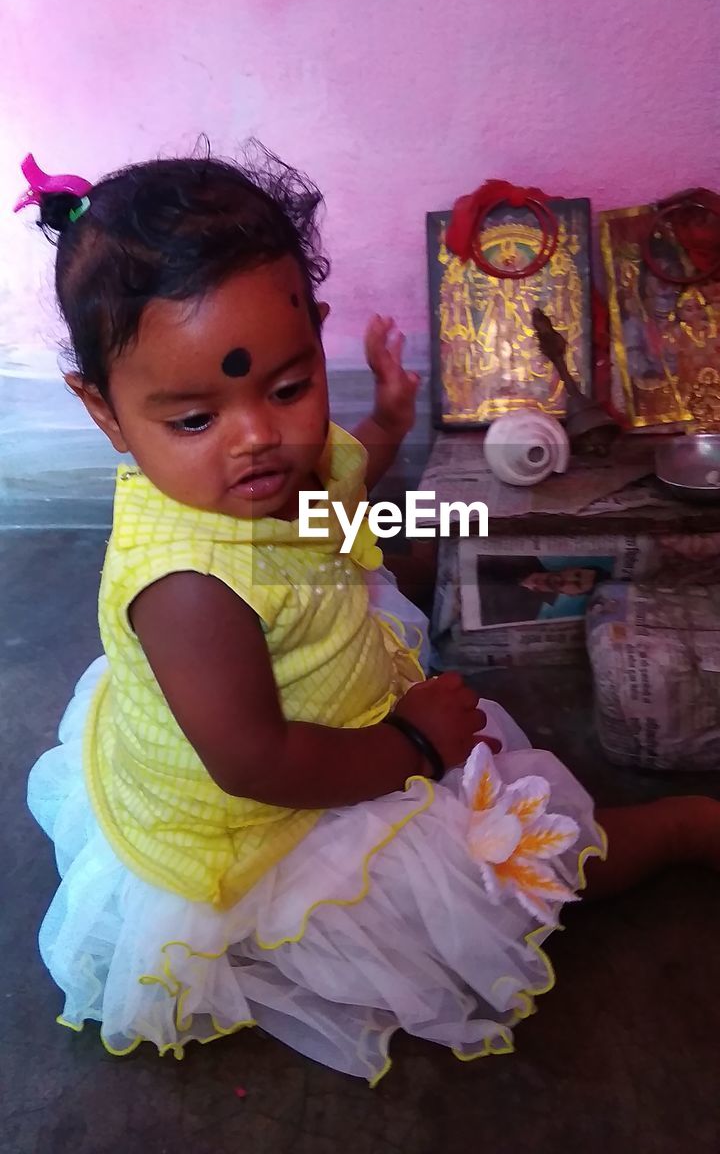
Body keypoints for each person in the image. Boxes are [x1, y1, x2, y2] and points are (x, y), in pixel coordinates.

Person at [20, 147, 720, 1083]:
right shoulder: (187, 588)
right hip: (272, 812)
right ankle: (669, 833)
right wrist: (414, 745)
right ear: (103, 412)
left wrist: (388, 422)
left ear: (315, 335)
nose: (259, 437)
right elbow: (260, 762)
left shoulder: (262, 474)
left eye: (288, 385)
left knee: (406, 547)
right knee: (503, 863)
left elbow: (328, 510)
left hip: (320, 687)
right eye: (194, 418)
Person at [477, 557, 612, 627]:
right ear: (571, 568)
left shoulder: (526, 614)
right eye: (576, 574)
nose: (568, 580)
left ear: (574, 595)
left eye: (577, 584)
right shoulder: (525, 559)